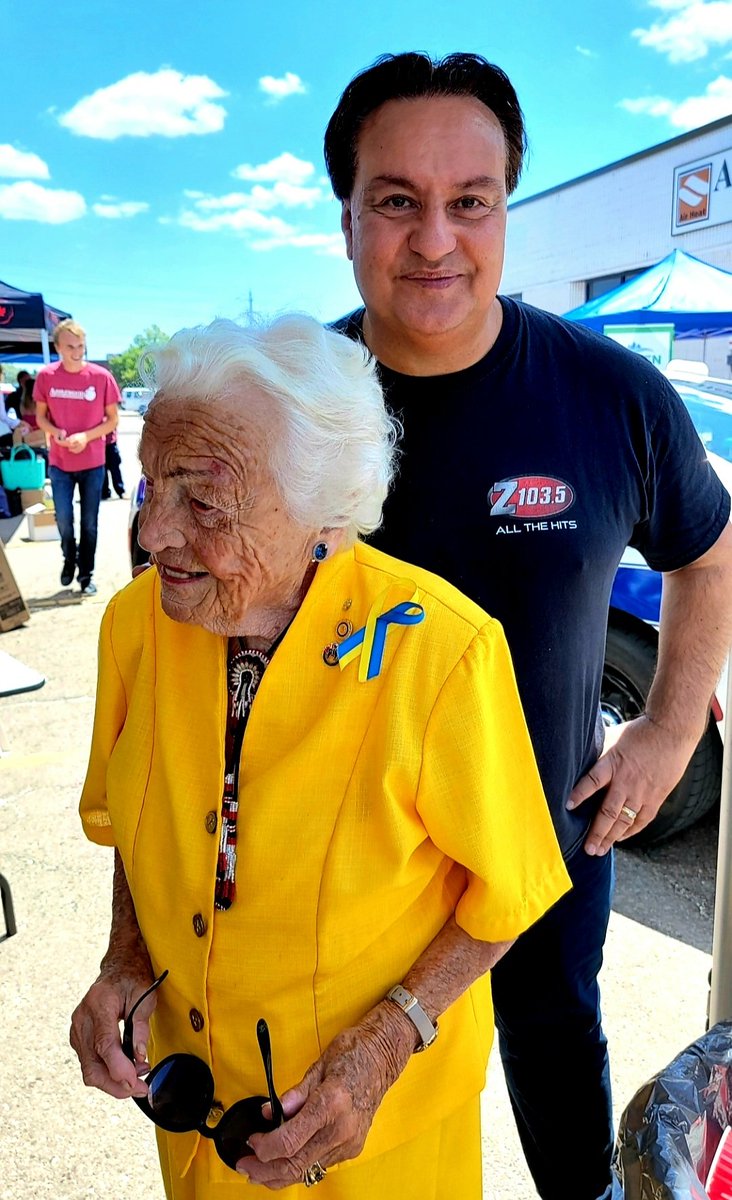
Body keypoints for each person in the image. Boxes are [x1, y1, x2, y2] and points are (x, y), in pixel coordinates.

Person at [323, 52, 732, 1200]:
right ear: (347, 216)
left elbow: (711, 557)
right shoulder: (289, 400)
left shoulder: (610, 395)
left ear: (508, 207)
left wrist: (660, 734)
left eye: (471, 201)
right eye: (396, 201)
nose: (435, 238)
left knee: (557, 1056)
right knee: (357, 1111)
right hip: (348, 862)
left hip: (546, 842)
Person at [69, 314, 570, 1200]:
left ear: (322, 515)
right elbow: (134, 815)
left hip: (374, 1134)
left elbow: (511, 892)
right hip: (199, 1116)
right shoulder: (138, 625)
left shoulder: (438, 651)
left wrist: (386, 1042)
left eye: (204, 502)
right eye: (150, 489)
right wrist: (127, 960)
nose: (153, 534)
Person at [34, 318, 121, 595]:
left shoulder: (100, 377)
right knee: (63, 519)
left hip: (93, 463)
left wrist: (86, 436)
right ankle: (69, 558)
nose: (77, 351)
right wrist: (55, 432)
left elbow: (112, 420)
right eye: (70, 346)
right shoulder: (47, 376)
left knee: (90, 523)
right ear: (58, 347)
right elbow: (40, 418)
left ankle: (86, 575)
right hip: (60, 463)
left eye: (81, 346)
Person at [100, 429, 126, 500]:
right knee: (102, 469)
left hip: (110, 442)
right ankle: (104, 492)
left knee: (115, 468)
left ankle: (121, 491)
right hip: (98, 443)